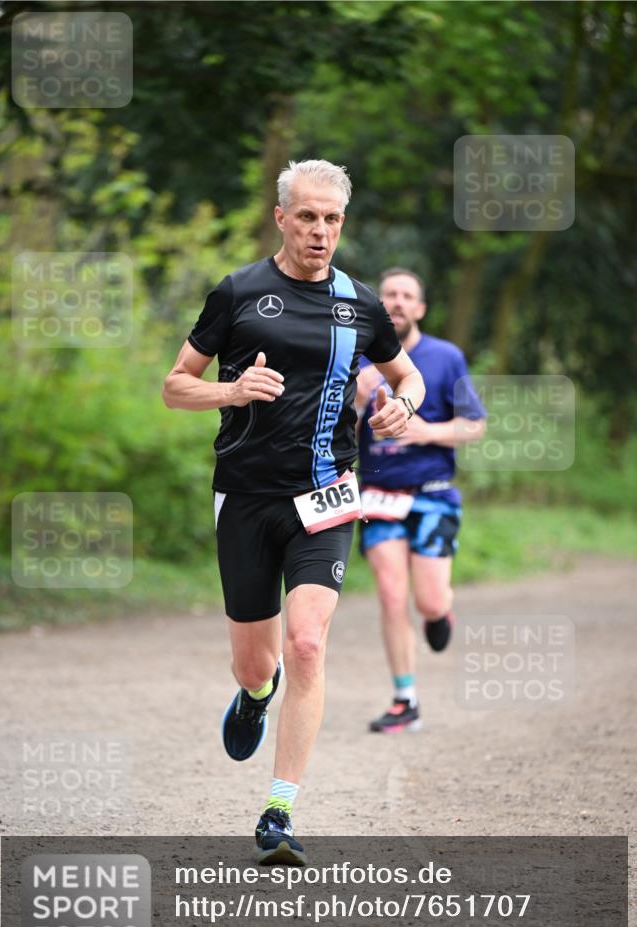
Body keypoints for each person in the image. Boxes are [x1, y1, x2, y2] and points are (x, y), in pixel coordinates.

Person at [163, 162, 425, 863]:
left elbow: (407, 373)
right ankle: (256, 693)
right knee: (256, 662)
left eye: (332, 219)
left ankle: (278, 811)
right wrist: (232, 391)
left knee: (308, 642)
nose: (319, 231)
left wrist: (406, 403)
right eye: (307, 217)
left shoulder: (358, 305)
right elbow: (173, 385)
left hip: (328, 497)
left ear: (342, 222)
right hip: (245, 496)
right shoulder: (239, 292)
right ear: (281, 217)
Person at [355, 268, 486, 734]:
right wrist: (356, 401)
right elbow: (331, 430)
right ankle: (404, 700)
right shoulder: (358, 359)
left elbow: (475, 424)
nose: (397, 302)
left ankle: (440, 611)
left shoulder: (446, 357)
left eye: (407, 295)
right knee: (392, 594)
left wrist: (428, 431)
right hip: (378, 496)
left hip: (433, 496)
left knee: (428, 602)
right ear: (379, 304)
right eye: (389, 294)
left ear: (421, 308)